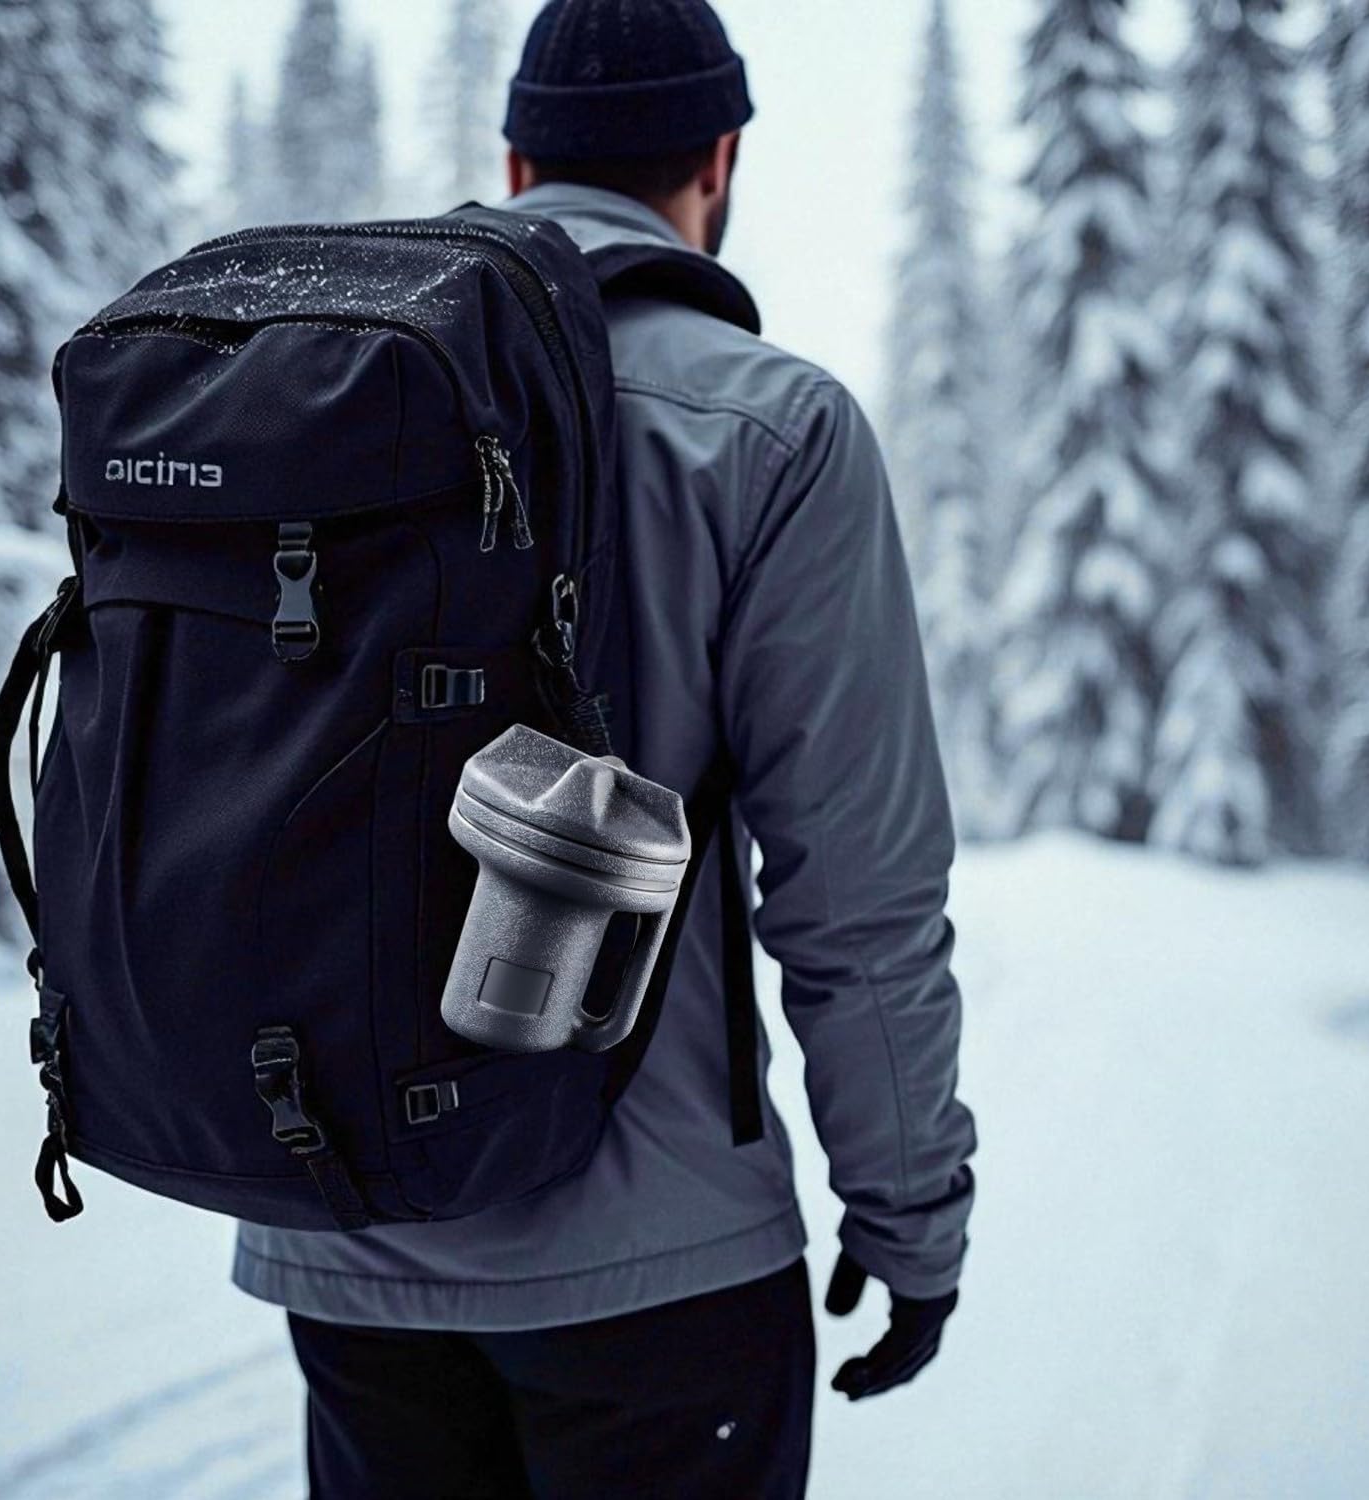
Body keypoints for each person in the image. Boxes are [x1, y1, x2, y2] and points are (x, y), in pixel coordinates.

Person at [231, 2, 976, 1494]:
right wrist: (909, 1220)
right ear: (720, 161)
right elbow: (854, 892)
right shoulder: (771, 430)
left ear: (516, 162)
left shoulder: (318, 398)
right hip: (660, 1270)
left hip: (349, 1249)